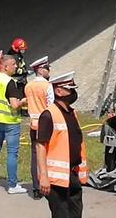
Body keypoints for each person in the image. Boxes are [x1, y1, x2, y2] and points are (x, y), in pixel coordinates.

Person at [36, 71, 87, 218]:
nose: (73, 92)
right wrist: (44, 177)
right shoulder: (48, 115)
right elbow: (40, 147)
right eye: (69, 89)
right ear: (58, 91)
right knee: (61, 215)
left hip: (72, 174)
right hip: (56, 179)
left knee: (76, 214)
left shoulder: (72, 113)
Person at [0, 55, 27, 194]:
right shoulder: (10, 82)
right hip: (10, 121)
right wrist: (24, 102)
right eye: (13, 64)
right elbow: (14, 105)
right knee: (12, 153)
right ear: (5, 66)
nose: (16, 67)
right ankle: (12, 185)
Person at [24, 56, 54, 199]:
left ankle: (36, 188)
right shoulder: (48, 86)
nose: (49, 71)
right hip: (46, 125)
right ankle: (48, 184)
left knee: (35, 156)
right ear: (41, 70)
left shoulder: (28, 86)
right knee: (48, 155)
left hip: (33, 125)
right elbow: (51, 106)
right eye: (47, 68)